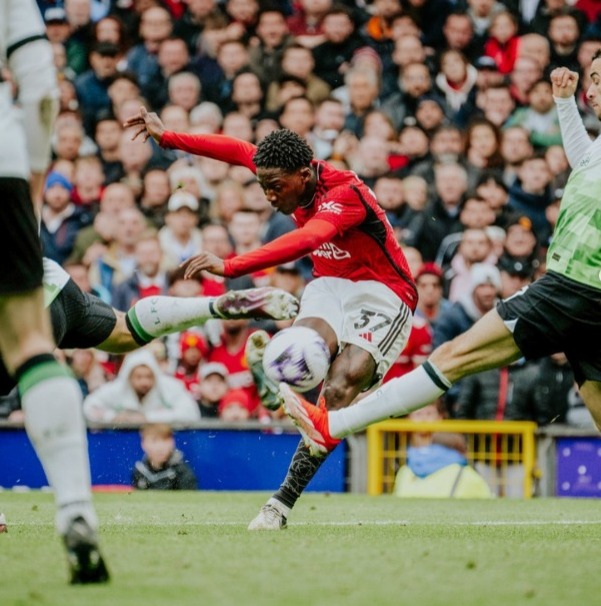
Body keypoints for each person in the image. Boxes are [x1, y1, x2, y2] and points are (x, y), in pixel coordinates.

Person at [278, 60, 601, 471]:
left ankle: (333, 425)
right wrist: (564, 103)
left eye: (598, 81)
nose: (590, 91)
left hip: (572, 285)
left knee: (452, 357)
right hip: (589, 297)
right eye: (590, 81)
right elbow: (587, 161)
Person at [123, 111, 417, 530]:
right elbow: (234, 149)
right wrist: (168, 137)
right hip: (330, 285)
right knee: (303, 355)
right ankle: (276, 386)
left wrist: (232, 265)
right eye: (263, 186)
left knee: (337, 389)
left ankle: (280, 503)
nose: (268, 196)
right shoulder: (281, 167)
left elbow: (308, 239)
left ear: (303, 175)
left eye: (275, 187)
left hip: (383, 292)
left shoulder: (345, 193)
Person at [0, 0, 110, 584]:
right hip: (4, 161)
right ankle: (73, 507)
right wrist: (34, 170)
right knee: (30, 343)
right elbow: (40, 84)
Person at [0, 257, 299, 401]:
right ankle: (214, 306)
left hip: (18, 299)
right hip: (55, 281)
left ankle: (72, 500)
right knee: (125, 332)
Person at [132, 423, 198, 490]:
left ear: (172, 442)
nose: (160, 447)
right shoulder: (139, 471)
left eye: (165, 440)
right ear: (143, 444)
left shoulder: (182, 472)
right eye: (154, 441)